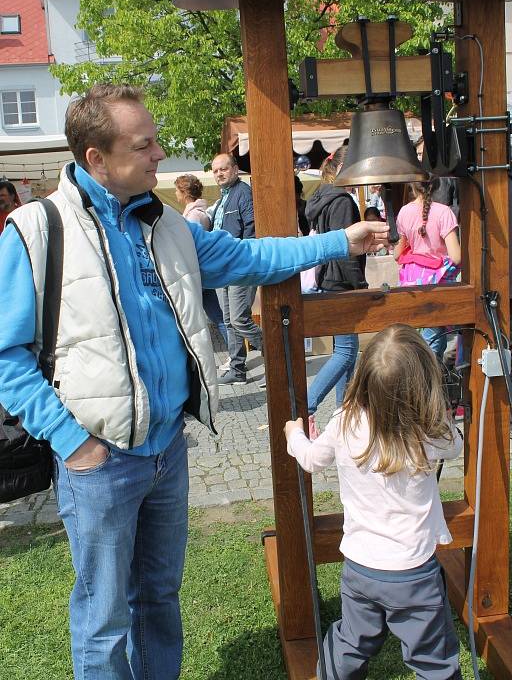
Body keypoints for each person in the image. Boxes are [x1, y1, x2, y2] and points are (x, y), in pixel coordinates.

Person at [0, 83, 389, 680]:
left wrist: (338, 240)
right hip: (99, 460)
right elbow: (6, 358)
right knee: (103, 620)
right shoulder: (35, 229)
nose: (161, 156)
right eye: (145, 145)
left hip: (167, 451)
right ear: (95, 157)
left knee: (159, 599)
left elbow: (251, 258)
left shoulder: (170, 226)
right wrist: (74, 443)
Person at [285, 324, 463, 680]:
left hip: (361, 568)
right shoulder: (428, 431)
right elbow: (457, 444)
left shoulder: (344, 422)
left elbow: (311, 459)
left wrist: (294, 433)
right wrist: (442, 416)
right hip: (414, 572)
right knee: (432, 657)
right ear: (424, 384)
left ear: (363, 378)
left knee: (351, 642)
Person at [305, 147, 367, 432]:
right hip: (340, 282)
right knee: (344, 352)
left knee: (347, 350)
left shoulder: (322, 196)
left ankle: (344, 410)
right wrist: (360, 285)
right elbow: (348, 250)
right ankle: (307, 404)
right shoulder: (342, 201)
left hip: (328, 279)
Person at [394, 178, 461, 360]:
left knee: (416, 341)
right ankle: (425, 384)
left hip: (410, 284)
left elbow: (397, 254)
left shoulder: (404, 212)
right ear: (437, 186)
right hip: (436, 286)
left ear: (411, 185)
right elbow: (456, 257)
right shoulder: (444, 212)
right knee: (434, 342)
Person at [210, 152, 262, 385]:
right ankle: (237, 369)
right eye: (215, 171)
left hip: (240, 265)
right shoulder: (223, 198)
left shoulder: (243, 193)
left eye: (223, 169)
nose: (219, 174)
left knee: (240, 319)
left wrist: (244, 259)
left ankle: (277, 356)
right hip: (224, 267)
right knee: (229, 321)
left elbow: (252, 229)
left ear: (235, 169)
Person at [174, 173, 228, 344]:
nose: (176, 194)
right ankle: (235, 354)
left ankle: (235, 355)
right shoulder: (198, 212)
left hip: (196, 271)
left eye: (177, 190)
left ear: (184, 192)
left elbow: (191, 246)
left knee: (209, 317)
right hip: (201, 271)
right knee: (215, 316)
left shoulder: (193, 216)